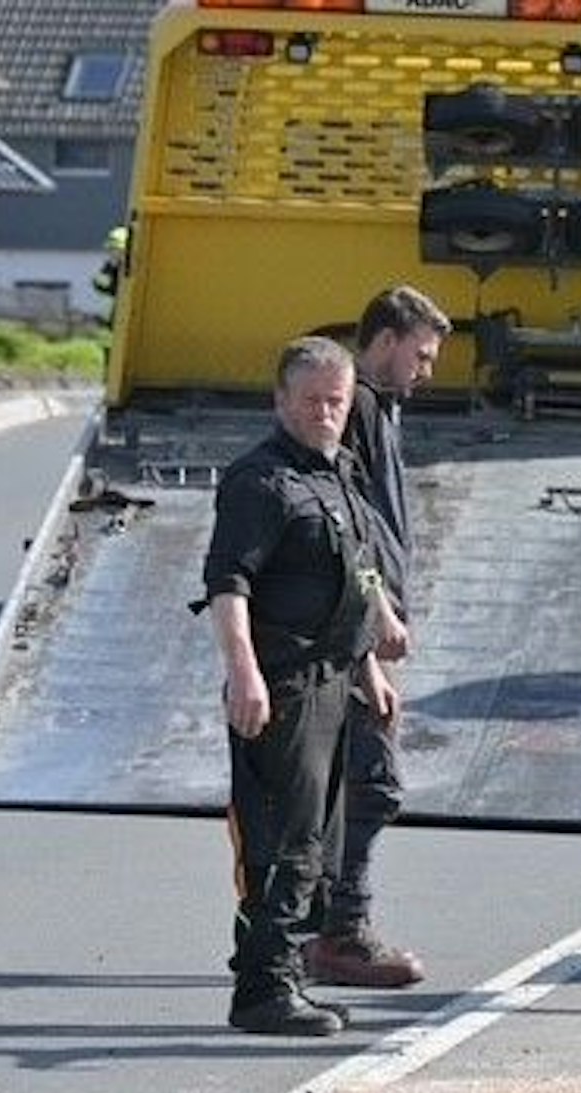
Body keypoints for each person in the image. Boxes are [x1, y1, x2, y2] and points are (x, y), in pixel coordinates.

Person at [201, 336, 397, 1036]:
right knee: (281, 837)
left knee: (318, 836)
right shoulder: (261, 481)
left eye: (336, 401)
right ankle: (263, 990)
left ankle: (284, 972)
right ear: (280, 400)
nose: (324, 412)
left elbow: (357, 571)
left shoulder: (339, 471)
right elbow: (228, 583)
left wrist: (371, 658)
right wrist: (243, 671)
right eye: (311, 400)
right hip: (282, 681)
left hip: (335, 678)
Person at [303, 286, 452, 989]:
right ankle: (340, 932)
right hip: (349, 632)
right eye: (420, 354)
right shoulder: (360, 407)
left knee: (338, 787)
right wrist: (374, 622)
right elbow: (346, 527)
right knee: (374, 783)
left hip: (357, 626)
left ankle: (312, 926)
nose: (426, 370)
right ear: (386, 340)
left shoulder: (375, 409)